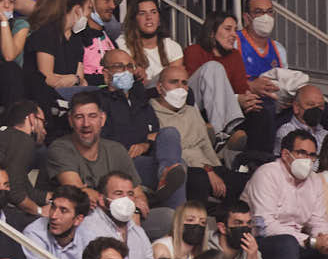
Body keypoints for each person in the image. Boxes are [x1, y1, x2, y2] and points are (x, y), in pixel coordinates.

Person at [44, 92, 162, 237]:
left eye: (92, 116)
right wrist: (125, 204)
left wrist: (134, 207)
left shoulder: (116, 149)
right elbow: (79, 193)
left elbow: (138, 194)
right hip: (81, 219)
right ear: (70, 121)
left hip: (119, 215)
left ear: (102, 119)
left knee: (167, 217)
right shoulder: (60, 148)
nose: (86, 124)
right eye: (79, 117)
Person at [241, 129, 328, 259]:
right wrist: (311, 241)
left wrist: (324, 239)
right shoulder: (267, 174)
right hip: (263, 243)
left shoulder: (314, 181)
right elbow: (266, 225)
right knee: (287, 243)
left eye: (312, 155)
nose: (308, 159)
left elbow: (317, 220)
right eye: (301, 153)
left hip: (299, 246)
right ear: (285, 154)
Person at [98, 49, 187, 206]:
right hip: (123, 163)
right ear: (106, 74)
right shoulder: (99, 102)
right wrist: (141, 142)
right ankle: (175, 219)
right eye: (119, 66)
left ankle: (165, 174)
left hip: (149, 158)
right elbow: (105, 140)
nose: (126, 71)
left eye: (130, 66)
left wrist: (145, 144)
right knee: (180, 166)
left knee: (170, 134)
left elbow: (155, 134)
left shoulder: (141, 100)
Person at [152, 65, 247, 205]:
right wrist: (208, 171)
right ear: (160, 88)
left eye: (184, 83)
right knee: (200, 179)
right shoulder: (151, 113)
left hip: (206, 166)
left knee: (242, 180)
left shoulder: (192, 111)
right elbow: (174, 151)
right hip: (185, 169)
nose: (180, 87)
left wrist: (218, 169)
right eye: (173, 82)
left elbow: (205, 145)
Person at [184, 11, 274, 154]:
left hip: (225, 109)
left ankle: (258, 161)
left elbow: (241, 89)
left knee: (262, 110)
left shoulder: (234, 56)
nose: (234, 35)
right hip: (194, 105)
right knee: (213, 67)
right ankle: (221, 135)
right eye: (227, 29)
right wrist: (236, 98)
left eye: (235, 30)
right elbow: (190, 90)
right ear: (212, 33)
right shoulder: (194, 51)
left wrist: (247, 99)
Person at [74, 170, 157, 259]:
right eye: (119, 193)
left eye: (130, 194)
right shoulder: (88, 227)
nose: (125, 199)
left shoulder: (139, 232)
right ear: (102, 199)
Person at [0, 100, 49, 216]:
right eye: (43, 122)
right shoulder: (23, 140)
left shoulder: (8, 137)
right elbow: (15, 193)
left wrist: (52, 197)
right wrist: (40, 211)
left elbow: (25, 188)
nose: (45, 130)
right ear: (32, 119)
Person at [23, 0, 91, 109]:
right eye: (89, 9)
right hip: (42, 97)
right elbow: (47, 78)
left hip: (68, 96)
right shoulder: (45, 34)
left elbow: (81, 80)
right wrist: (71, 79)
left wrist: (74, 79)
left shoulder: (76, 39)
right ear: (77, 9)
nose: (90, 15)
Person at [23, 184, 89, 259]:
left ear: (78, 219)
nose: (53, 216)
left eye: (63, 210)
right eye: (53, 207)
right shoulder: (34, 233)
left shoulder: (89, 234)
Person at [117, 0, 184, 87]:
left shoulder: (173, 47)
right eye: (142, 13)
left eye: (153, 12)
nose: (149, 17)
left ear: (159, 18)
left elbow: (176, 83)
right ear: (134, 20)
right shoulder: (122, 44)